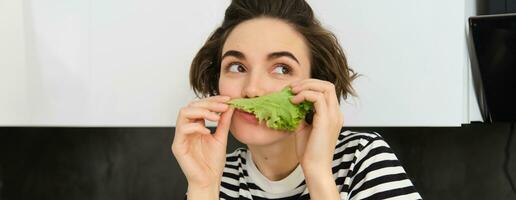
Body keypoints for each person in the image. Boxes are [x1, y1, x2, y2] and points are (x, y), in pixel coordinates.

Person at [172, 0, 422, 199]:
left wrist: (318, 174)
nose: (252, 89)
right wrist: (203, 188)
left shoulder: (361, 159)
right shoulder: (216, 173)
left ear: (316, 84)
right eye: (237, 67)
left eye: (282, 68)